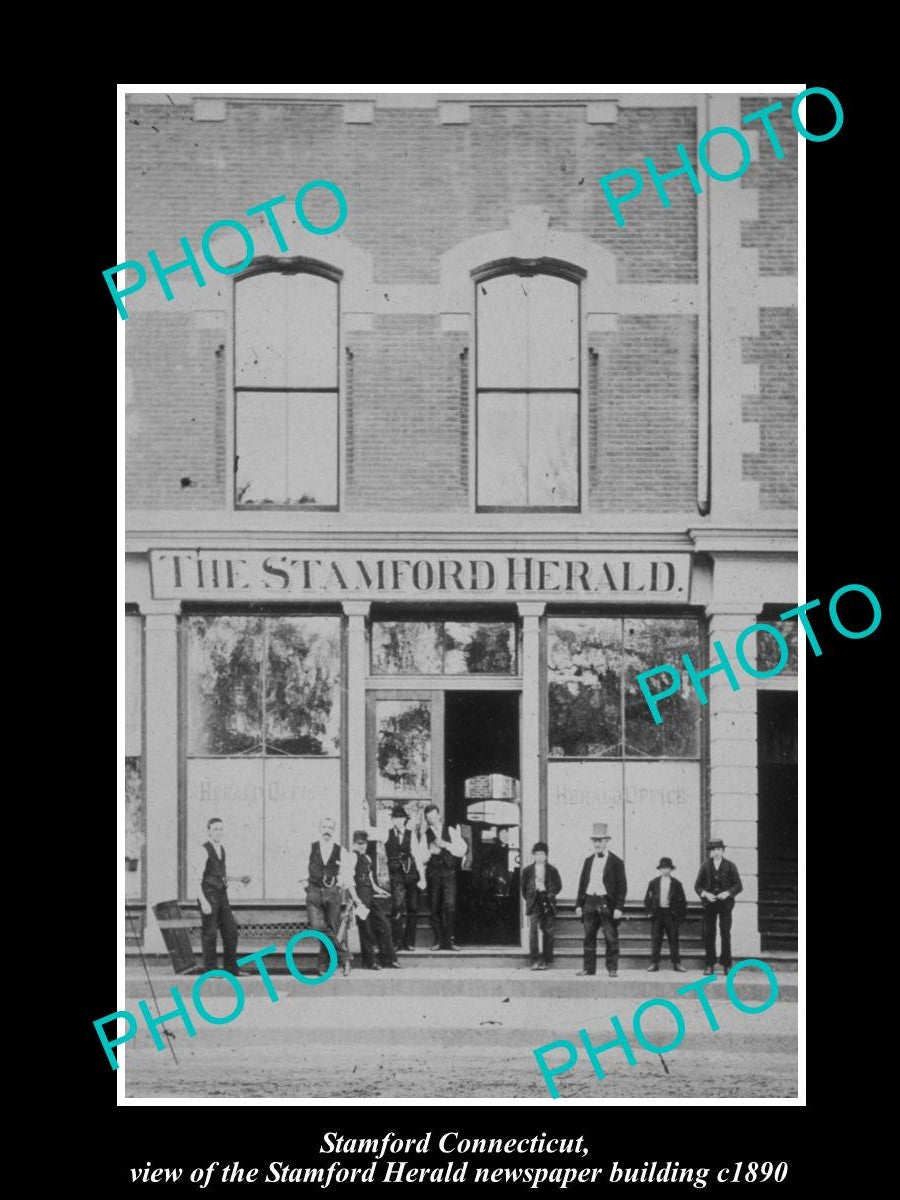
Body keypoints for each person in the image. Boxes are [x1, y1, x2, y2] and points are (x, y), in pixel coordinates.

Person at [193, 817, 250, 975]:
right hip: (208, 895)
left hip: (221, 894)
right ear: (208, 831)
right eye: (215, 829)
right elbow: (196, 878)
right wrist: (203, 901)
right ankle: (210, 969)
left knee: (231, 930)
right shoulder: (203, 850)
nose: (218, 832)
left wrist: (239, 878)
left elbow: (220, 874)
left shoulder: (222, 849)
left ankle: (231, 968)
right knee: (209, 933)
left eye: (221, 829)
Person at [575, 822, 627, 978]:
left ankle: (612, 968)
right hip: (589, 902)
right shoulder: (588, 860)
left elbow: (622, 886)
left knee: (611, 936)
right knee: (588, 937)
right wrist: (579, 904)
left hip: (606, 903)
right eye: (595, 840)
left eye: (600, 840)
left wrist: (619, 907)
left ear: (606, 841)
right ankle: (588, 968)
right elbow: (582, 883)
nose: (597, 843)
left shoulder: (617, 862)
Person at [306, 816, 351, 977]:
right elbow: (300, 869)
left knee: (330, 928)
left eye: (330, 828)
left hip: (333, 892)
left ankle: (323, 965)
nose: (327, 830)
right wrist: (307, 888)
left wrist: (338, 886)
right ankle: (344, 956)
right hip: (314, 891)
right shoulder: (311, 848)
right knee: (318, 927)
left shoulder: (340, 850)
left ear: (334, 830)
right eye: (324, 827)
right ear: (320, 829)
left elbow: (346, 873)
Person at [350, 830, 401, 970]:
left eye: (364, 843)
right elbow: (349, 881)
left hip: (370, 897)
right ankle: (369, 962)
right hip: (360, 898)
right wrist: (356, 899)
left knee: (384, 925)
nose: (362, 846)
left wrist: (380, 891)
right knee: (365, 930)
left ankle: (389, 959)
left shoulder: (367, 858)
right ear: (354, 844)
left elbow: (371, 881)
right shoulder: (352, 857)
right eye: (359, 844)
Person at [694, 838, 743, 973]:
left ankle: (726, 964)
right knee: (710, 933)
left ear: (723, 851)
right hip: (710, 905)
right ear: (710, 852)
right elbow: (697, 886)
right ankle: (710, 964)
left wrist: (727, 893)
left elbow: (739, 886)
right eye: (713, 850)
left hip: (725, 905)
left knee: (725, 933)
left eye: (718, 850)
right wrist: (705, 894)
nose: (716, 852)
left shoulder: (730, 866)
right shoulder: (705, 866)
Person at [423, 803, 466, 951]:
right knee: (435, 907)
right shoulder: (425, 834)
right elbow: (422, 856)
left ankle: (450, 940)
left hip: (448, 873)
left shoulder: (450, 830)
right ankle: (438, 941)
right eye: (429, 818)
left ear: (439, 815)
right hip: (433, 873)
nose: (432, 820)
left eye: (434, 817)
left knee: (449, 905)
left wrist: (445, 844)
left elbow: (461, 850)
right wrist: (430, 852)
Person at [521, 842, 562, 970]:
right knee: (533, 930)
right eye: (537, 854)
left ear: (546, 855)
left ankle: (545, 959)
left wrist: (550, 894)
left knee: (548, 930)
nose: (540, 856)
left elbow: (558, 886)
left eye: (542, 854)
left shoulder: (552, 870)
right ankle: (534, 959)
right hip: (534, 901)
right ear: (533, 855)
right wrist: (530, 898)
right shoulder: (527, 871)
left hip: (547, 900)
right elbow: (524, 888)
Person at [385, 804, 421, 951]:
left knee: (413, 908)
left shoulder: (410, 834)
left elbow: (417, 856)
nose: (399, 820)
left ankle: (409, 942)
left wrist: (422, 877)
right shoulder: (386, 834)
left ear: (405, 819)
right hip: (396, 876)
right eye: (396, 818)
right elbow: (369, 831)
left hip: (411, 874)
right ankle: (397, 942)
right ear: (392, 820)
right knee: (397, 907)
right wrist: (365, 813)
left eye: (401, 818)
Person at [643, 856, 688, 973]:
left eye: (667, 868)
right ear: (660, 869)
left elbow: (683, 901)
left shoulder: (677, 884)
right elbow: (647, 899)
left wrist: (679, 916)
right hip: (657, 914)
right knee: (656, 939)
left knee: (673, 939)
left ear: (671, 869)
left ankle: (677, 964)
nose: (665, 870)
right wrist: (649, 913)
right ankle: (654, 963)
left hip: (670, 914)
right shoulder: (653, 883)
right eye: (663, 868)